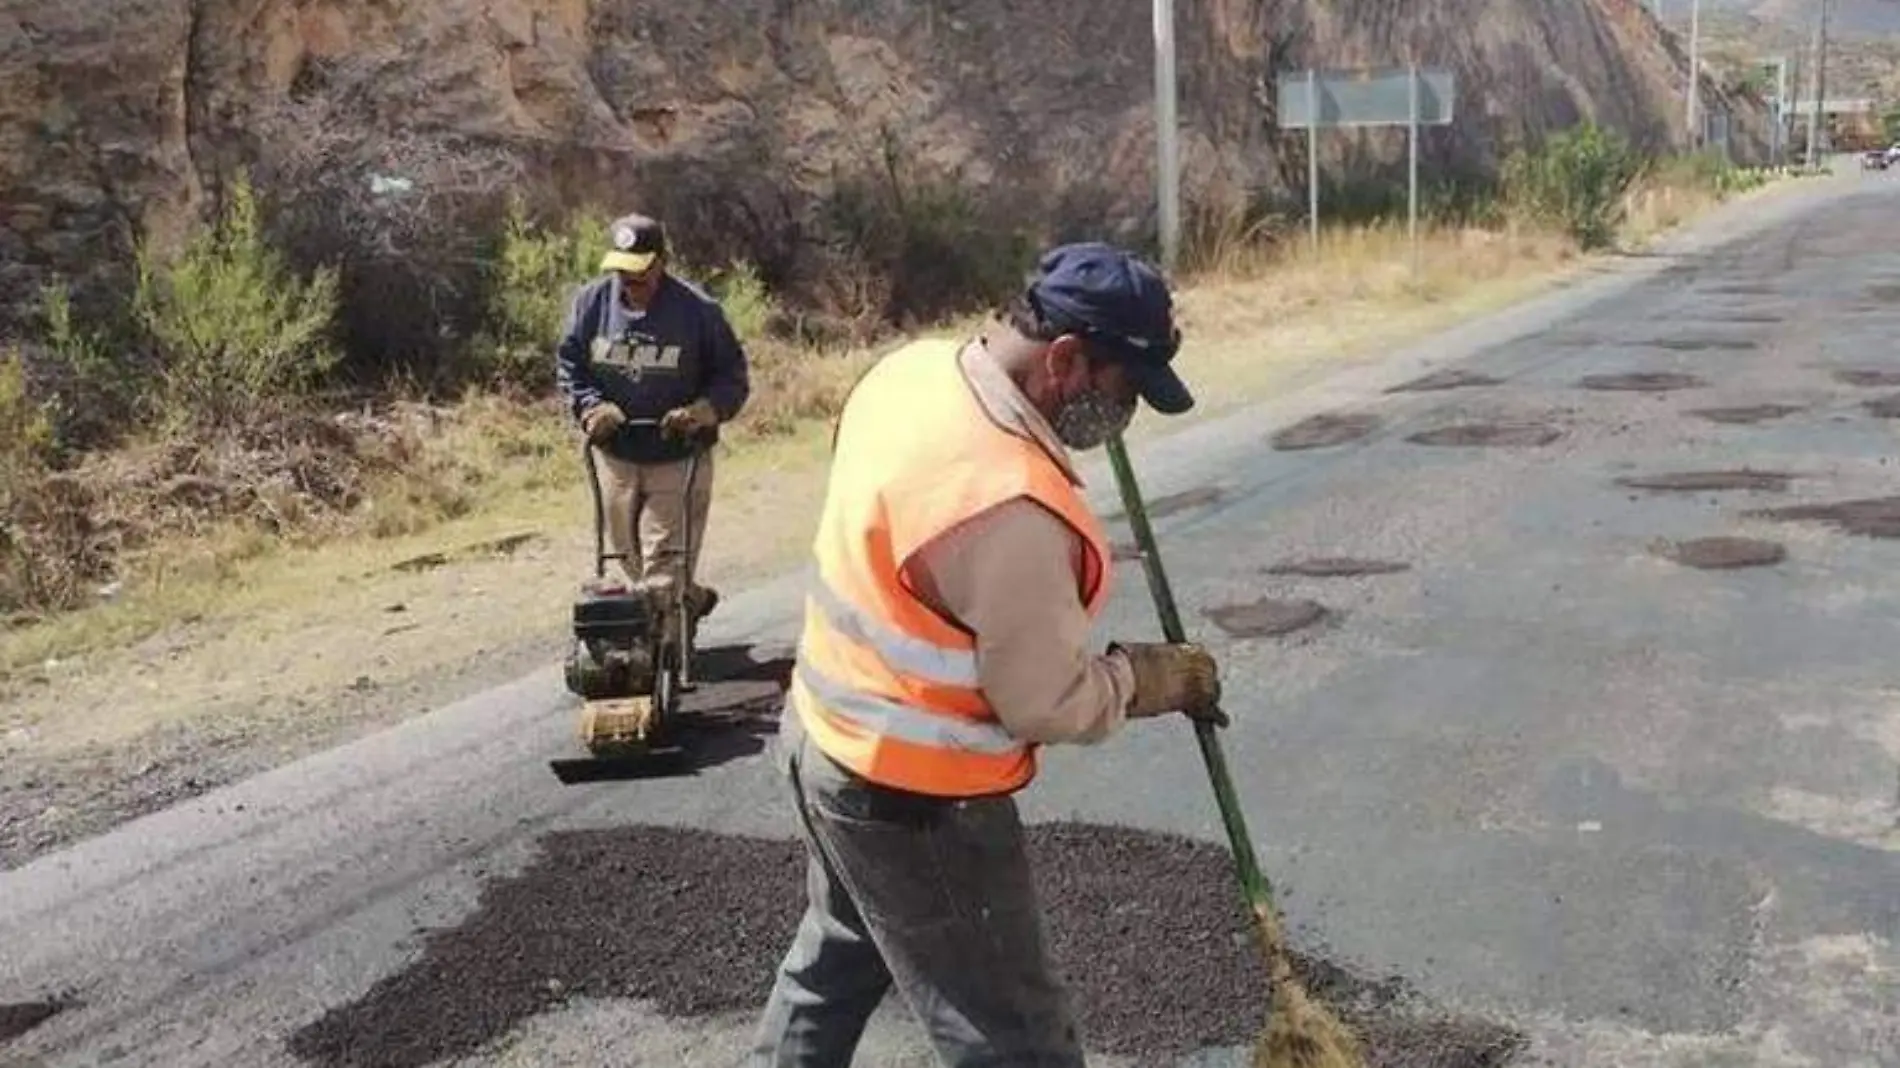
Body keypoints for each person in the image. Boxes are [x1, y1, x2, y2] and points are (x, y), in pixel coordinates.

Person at [749, 242, 1226, 1067]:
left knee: (832, 965)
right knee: (1013, 1038)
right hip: (917, 799)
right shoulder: (1009, 508)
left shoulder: (911, 374)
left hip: (822, 739)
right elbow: (1044, 700)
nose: (1126, 416)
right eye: (1126, 391)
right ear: (1068, 360)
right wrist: (1148, 678)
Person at [556, 212, 750, 621]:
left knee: (664, 562)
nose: (630, 285)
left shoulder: (699, 312)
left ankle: (669, 636)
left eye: (639, 275)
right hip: (617, 453)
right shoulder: (592, 303)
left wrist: (703, 411)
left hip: (678, 453)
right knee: (627, 558)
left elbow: (732, 378)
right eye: (622, 274)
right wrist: (591, 406)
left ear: (660, 264)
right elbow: (571, 365)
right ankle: (686, 602)